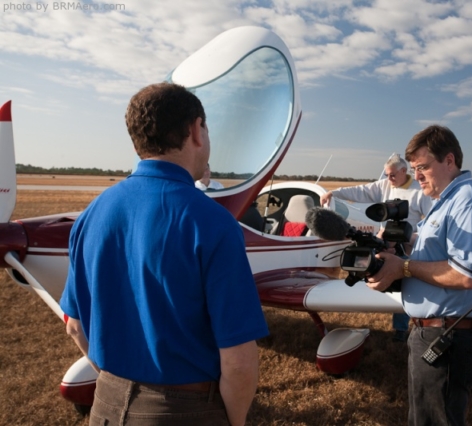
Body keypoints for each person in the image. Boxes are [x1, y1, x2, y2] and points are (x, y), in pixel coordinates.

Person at [60, 82, 269, 426]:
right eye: (206, 128)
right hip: (185, 411)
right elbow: (238, 362)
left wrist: (116, 381)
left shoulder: (90, 214)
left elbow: (75, 327)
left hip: (106, 406)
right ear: (195, 131)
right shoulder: (214, 223)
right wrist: (233, 420)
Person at [366, 125, 472, 426]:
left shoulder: (468, 200)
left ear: (449, 161)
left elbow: (466, 275)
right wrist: (401, 245)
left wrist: (402, 267)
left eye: (423, 167)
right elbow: (436, 255)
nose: (418, 176)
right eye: (414, 169)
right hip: (430, 334)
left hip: (447, 337)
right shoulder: (444, 203)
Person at [320, 153, 431, 341]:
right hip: (384, 244)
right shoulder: (384, 185)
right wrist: (335, 193)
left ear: (404, 171)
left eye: (393, 175)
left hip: (407, 247)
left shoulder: (418, 191)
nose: (389, 178)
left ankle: (401, 330)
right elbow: (361, 191)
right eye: (387, 174)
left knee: (405, 286)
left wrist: (411, 238)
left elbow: (430, 221)